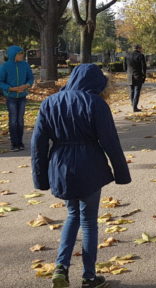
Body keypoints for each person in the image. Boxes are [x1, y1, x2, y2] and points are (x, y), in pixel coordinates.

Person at [31, 64, 131, 288]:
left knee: (72, 215)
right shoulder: (96, 103)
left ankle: (61, 267)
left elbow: (37, 144)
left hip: (61, 165)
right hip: (89, 164)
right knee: (88, 222)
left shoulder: (49, 103)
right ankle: (89, 276)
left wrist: (40, 176)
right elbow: (110, 141)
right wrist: (121, 173)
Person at [0, 45, 35, 151]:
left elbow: (30, 78)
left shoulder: (25, 65)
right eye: (20, 54)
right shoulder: (5, 66)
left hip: (22, 97)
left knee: (20, 120)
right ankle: (14, 144)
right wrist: (11, 89)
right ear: (13, 55)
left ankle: (20, 142)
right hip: (11, 97)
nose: (22, 55)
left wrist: (26, 85)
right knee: (13, 120)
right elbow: (1, 82)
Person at [126, 44, 146, 112]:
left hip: (129, 75)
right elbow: (144, 67)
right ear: (139, 48)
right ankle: (135, 107)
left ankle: (133, 104)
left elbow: (124, 65)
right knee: (137, 91)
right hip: (138, 75)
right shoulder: (140, 55)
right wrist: (144, 75)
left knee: (131, 91)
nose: (142, 50)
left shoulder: (128, 55)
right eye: (141, 48)